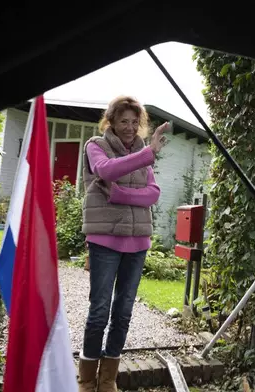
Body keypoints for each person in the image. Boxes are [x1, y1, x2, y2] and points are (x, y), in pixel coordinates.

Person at [77, 95, 168, 392]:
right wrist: (148, 154)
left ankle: (108, 380)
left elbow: (153, 194)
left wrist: (118, 195)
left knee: (124, 311)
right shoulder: (96, 146)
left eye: (134, 122)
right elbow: (105, 171)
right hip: (104, 241)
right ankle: (87, 380)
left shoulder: (143, 153)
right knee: (100, 310)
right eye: (123, 121)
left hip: (138, 243)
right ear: (111, 122)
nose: (129, 128)